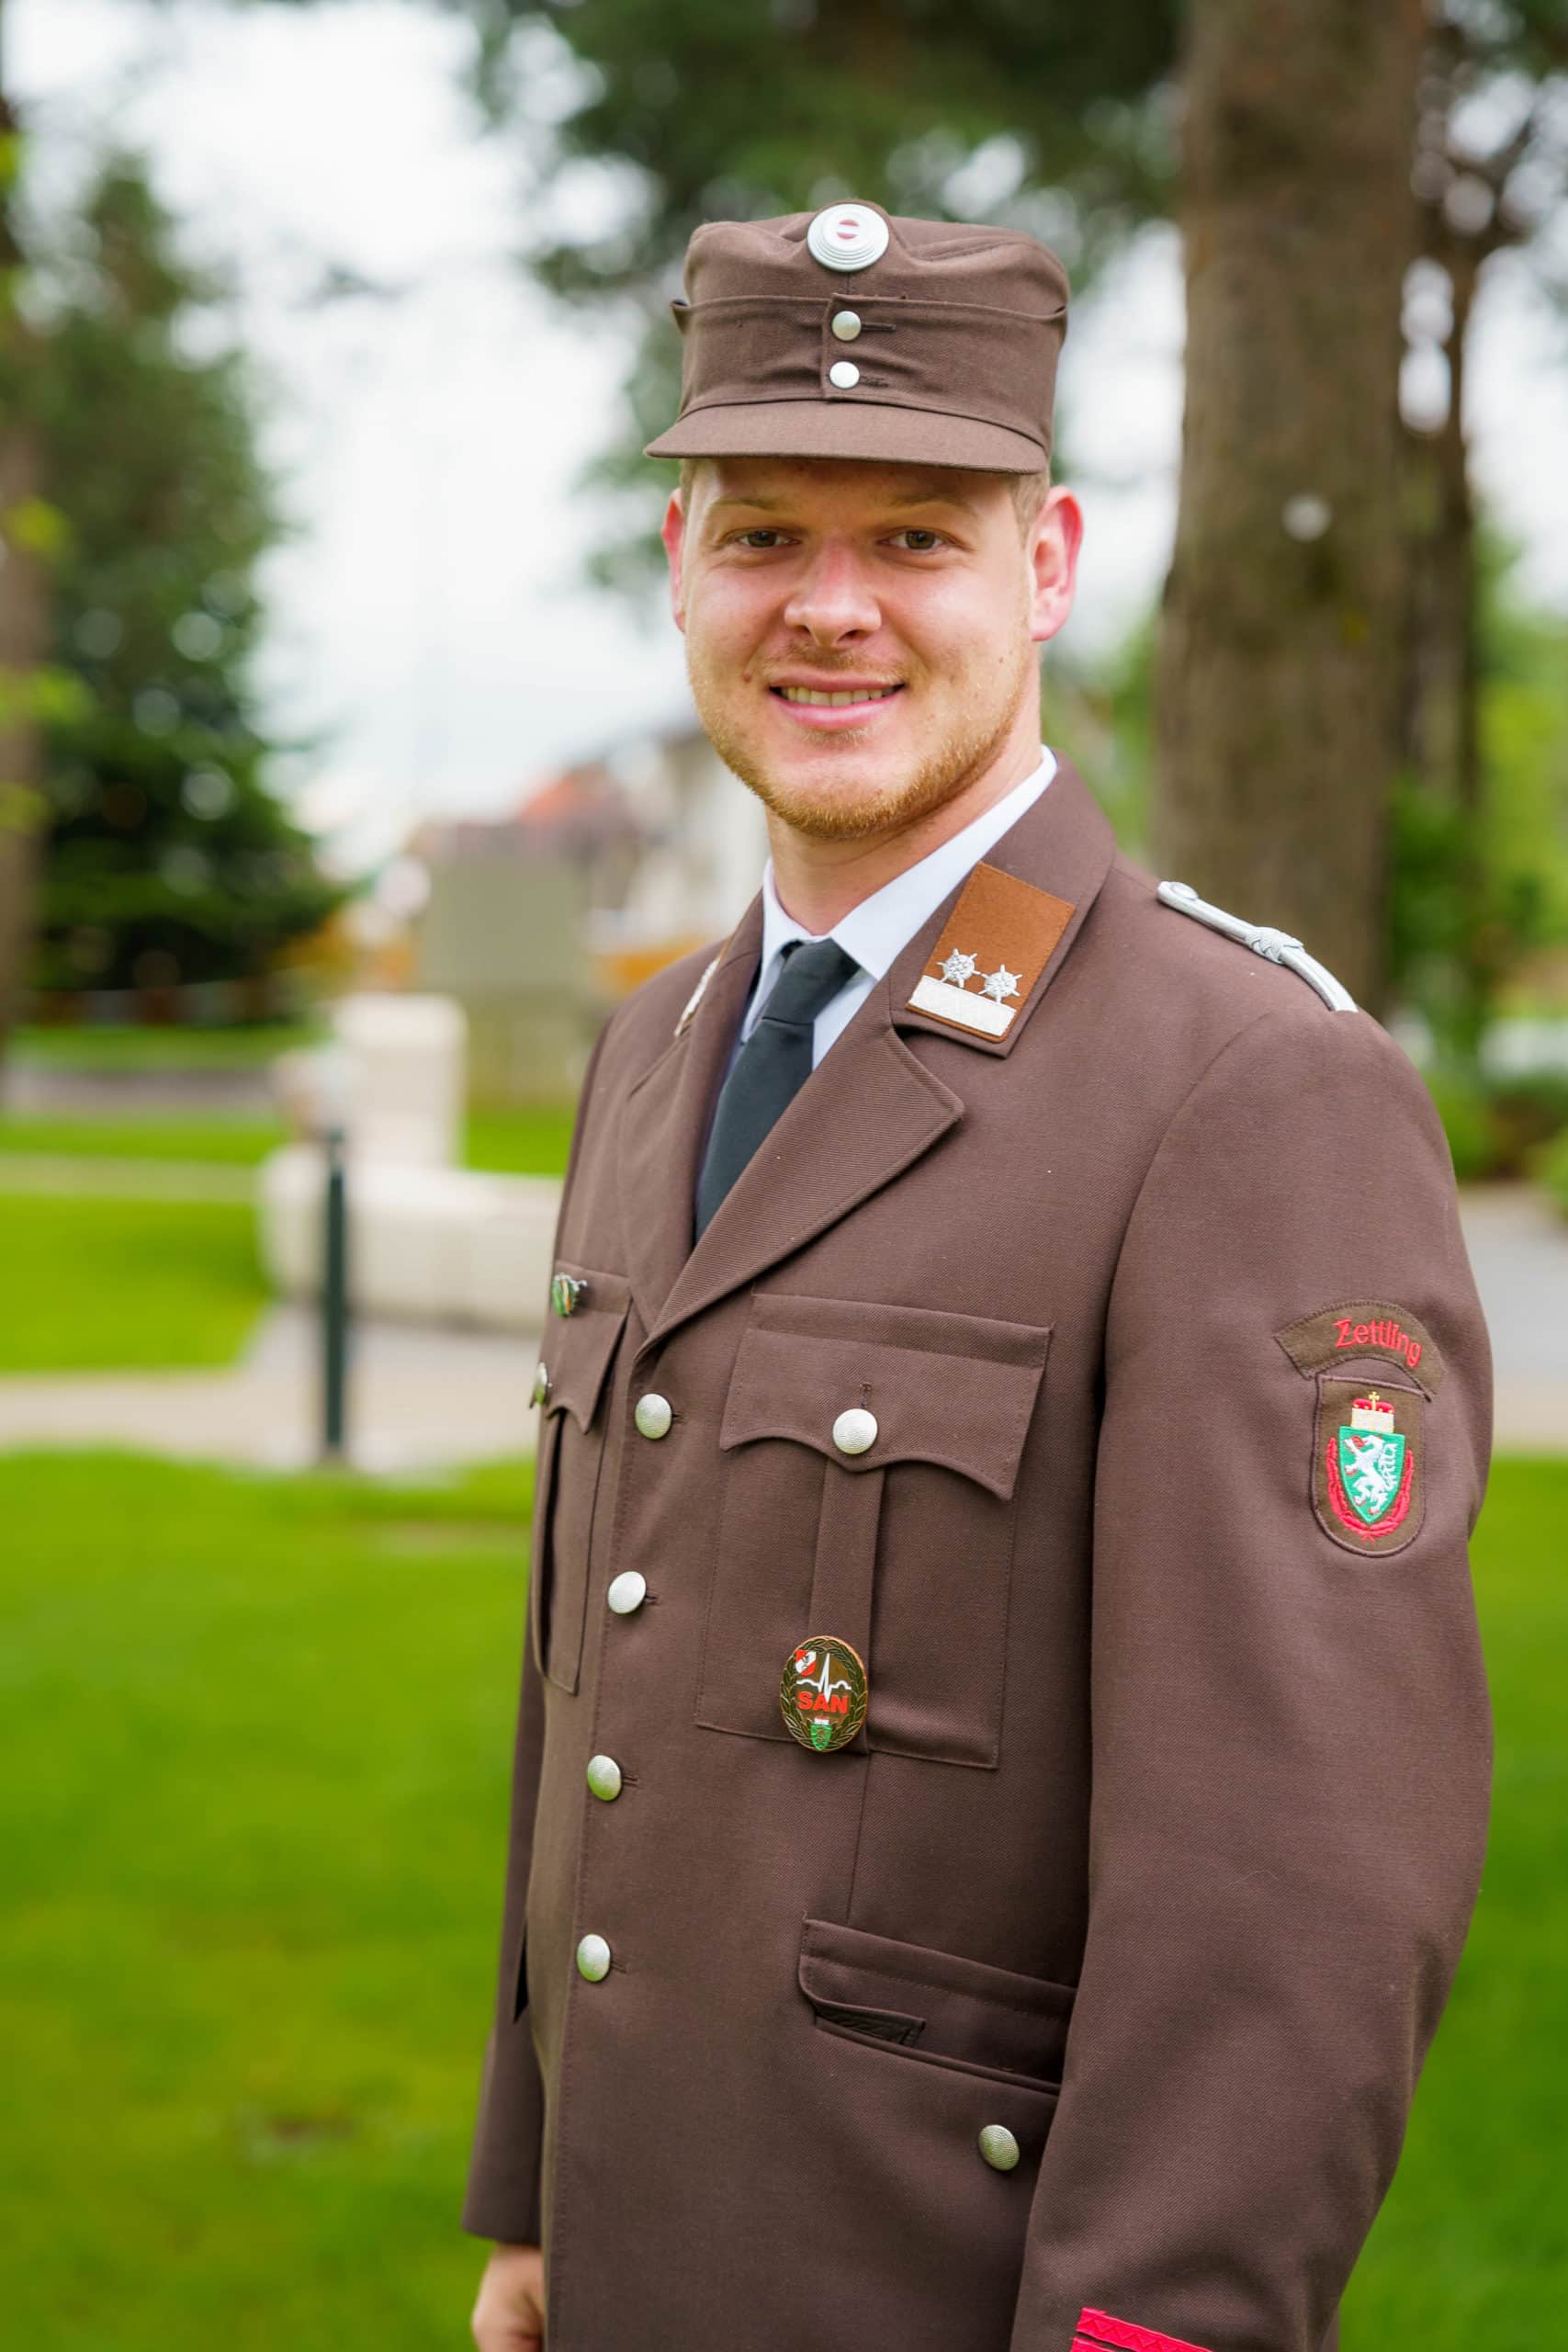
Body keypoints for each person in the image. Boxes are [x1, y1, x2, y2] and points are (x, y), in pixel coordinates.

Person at [465, 200, 1493, 2352]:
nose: (826, 609)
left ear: (1044, 566)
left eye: (916, 537)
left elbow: (1299, 1881)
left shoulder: (1239, 1090)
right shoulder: (649, 1051)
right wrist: (534, 2190)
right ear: (675, 560)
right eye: (761, 533)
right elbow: (596, 1692)